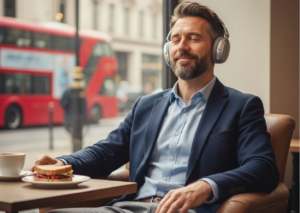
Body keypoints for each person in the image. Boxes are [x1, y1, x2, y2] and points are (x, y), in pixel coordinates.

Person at [31, 2, 279, 213]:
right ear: (167, 50)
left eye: (193, 38)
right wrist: (61, 163)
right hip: (129, 207)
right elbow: (106, 152)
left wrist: (205, 185)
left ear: (218, 50)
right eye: (175, 39)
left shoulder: (242, 106)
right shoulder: (146, 106)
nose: (182, 46)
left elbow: (263, 168)